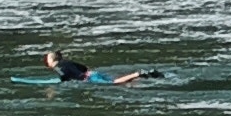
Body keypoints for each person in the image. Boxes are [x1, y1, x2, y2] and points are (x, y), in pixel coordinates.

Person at [36, 47, 165, 86]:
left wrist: (61, 83)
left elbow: (64, 76)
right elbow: (84, 68)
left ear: (50, 62)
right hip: (93, 74)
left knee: (114, 83)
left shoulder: (58, 67)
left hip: (90, 79)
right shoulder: (66, 61)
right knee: (119, 82)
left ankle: (138, 74)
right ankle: (146, 76)